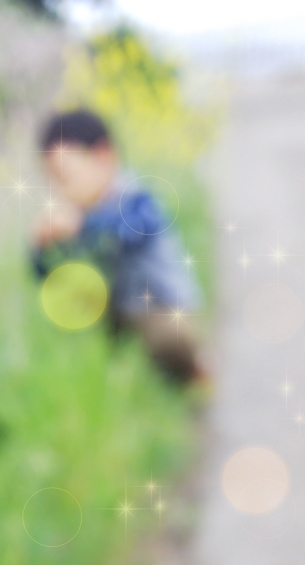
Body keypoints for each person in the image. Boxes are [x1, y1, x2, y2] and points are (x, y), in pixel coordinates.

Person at [31, 108, 205, 384]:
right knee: (82, 331)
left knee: (167, 337)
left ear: (104, 157)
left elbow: (133, 231)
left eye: (65, 176)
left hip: (161, 308)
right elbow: (50, 279)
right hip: (115, 314)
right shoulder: (78, 212)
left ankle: (195, 372)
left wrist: (81, 227)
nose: (60, 189)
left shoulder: (136, 198)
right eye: (52, 181)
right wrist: (41, 249)